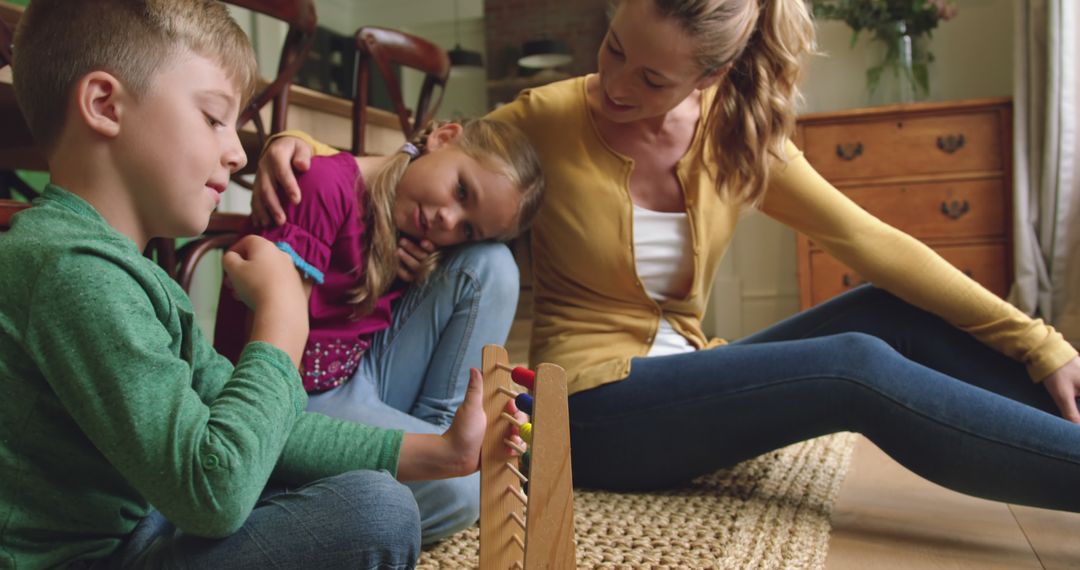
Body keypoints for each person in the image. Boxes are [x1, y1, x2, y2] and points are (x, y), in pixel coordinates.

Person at [256, 0, 1080, 515]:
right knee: (852, 368)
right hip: (589, 405)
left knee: (887, 313)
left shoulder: (737, 133)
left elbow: (874, 242)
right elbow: (429, 159)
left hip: (686, 375)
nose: (613, 85)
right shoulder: (548, 116)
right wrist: (295, 142)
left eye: (650, 79)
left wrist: (1039, 340)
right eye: (613, 49)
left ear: (709, 75)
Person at [0, 1, 523, 567]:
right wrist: (281, 319)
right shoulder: (73, 272)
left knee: (365, 497)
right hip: (94, 556)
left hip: (152, 516)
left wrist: (446, 453)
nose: (235, 149)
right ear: (105, 105)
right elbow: (213, 496)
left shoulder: (131, 273)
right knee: (374, 512)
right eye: (213, 117)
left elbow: (272, 432)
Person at [215, 117, 543, 544]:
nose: (448, 219)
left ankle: (439, 444)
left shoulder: (413, 230)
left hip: (357, 374)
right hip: (289, 402)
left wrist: (405, 270)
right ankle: (283, 507)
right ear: (443, 137)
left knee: (494, 263)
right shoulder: (319, 187)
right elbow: (276, 364)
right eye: (462, 191)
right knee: (463, 491)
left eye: (466, 228)